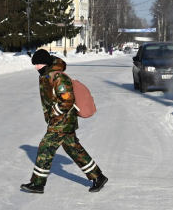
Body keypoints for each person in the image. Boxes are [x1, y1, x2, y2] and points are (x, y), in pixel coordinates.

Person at [20, 49, 108, 194]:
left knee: (45, 147)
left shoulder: (58, 77)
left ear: (46, 63)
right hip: (61, 120)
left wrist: (55, 111)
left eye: (39, 64)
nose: (36, 67)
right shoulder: (46, 75)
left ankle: (37, 184)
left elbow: (67, 100)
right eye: (35, 64)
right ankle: (98, 177)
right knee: (73, 148)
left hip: (62, 120)